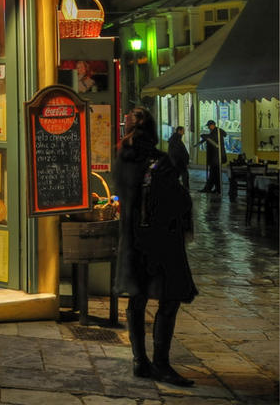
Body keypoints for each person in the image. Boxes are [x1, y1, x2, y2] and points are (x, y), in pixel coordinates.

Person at [115, 107, 197, 387]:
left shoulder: (122, 158)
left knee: (137, 298)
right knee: (169, 298)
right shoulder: (159, 162)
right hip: (160, 241)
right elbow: (178, 202)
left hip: (132, 239)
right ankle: (161, 363)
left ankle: (140, 360)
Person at [197, 120, 227, 194]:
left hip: (216, 157)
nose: (208, 127)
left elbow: (212, 138)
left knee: (214, 173)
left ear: (212, 125)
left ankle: (212, 188)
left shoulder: (217, 132)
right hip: (215, 156)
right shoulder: (215, 132)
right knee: (214, 174)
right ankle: (215, 188)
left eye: (209, 126)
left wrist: (205, 136)